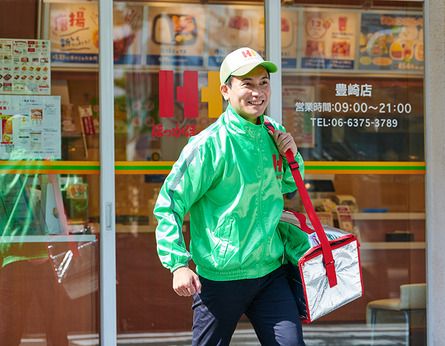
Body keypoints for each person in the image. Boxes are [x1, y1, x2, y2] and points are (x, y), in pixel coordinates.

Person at [154, 47, 306, 345]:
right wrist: (178, 264)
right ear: (225, 90)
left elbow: (289, 186)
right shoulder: (208, 145)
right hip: (220, 277)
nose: (258, 92)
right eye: (247, 84)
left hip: (270, 271)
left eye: (263, 83)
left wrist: (292, 155)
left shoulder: (274, 132)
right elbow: (170, 202)